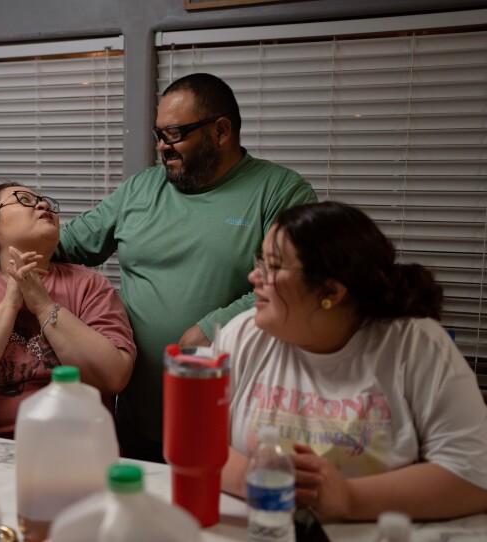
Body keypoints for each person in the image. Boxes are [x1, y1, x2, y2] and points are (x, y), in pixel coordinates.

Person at [58, 72, 317, 461]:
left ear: (222, 131)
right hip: (137, 415)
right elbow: (71, 244)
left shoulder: (279, 191)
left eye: (175, 134)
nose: (163, 147)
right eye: (158, 134)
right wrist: (7, 234)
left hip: (229, 418)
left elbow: (292, 281)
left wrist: (215, 328)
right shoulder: (141, 188)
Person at [215, 201, 487, 520]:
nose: (254, 276)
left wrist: (348, 497)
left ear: (330, 290)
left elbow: (472, 476)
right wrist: (255, 477)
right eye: (260, 261)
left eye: (273, 266)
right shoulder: (243, 336)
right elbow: (192, 444)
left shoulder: (416, 346)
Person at [0, 182, 136, 439]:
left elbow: (114, 377)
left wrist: (44, 306)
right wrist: (9, 305)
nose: (43, 204)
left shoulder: (91, 286)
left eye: (46, 202)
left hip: (75, 448)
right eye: (23, 199)